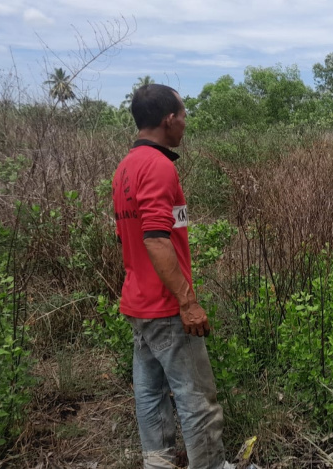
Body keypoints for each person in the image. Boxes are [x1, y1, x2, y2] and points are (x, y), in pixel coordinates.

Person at [112, 84, 230, 468]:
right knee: (196, 395)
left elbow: (126, 236)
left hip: (138, 301)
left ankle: (159, 464)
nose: (184, 123)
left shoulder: (125, 167)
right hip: (164, 306)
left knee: (149, 392)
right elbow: (156, 240)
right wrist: (188, 301)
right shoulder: (159, 167)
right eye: (183, 115)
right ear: (168, 119)